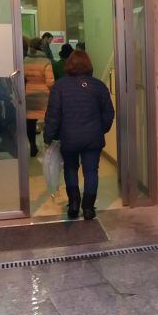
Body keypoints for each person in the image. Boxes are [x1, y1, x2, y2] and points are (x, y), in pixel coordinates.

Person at [44, 51, 114, 220]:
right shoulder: (99, 86)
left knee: (70, 168)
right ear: (88, 65)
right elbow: (109, 113)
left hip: (69, 137)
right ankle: (88, 208)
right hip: (93, 137)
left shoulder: (60, 86)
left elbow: (53, 115)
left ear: (69, 65)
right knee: (91, 171)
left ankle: (74, 204)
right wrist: (100, 130)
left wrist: (49, 137)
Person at [24, 38, 55, 157]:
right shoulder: (45, 61)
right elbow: (50, 82)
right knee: (48, 120)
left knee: (30, 122)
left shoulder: (25, 60)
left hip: (29, 93)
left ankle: (32, 146)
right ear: (41, 47)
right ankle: (48, 145)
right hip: (43, 95)